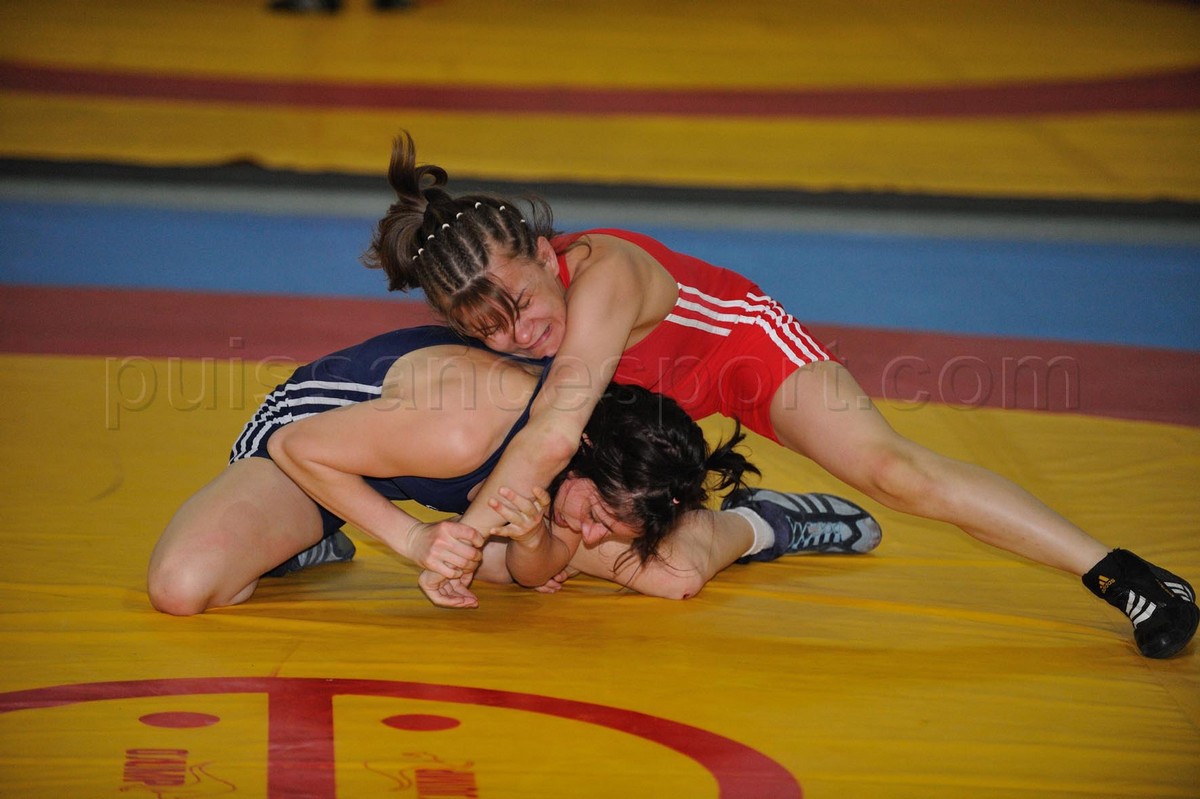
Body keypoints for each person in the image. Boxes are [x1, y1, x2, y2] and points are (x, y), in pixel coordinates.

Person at [364, 132, 1198, 658]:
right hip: (636, 407)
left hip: (736, 353)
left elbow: (551, 431)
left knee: (893, 471)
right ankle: (767, 522)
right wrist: (473, 535)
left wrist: (460, 538)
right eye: (489, 329)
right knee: (641, 570)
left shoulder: (605, 275)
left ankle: (1120, 573)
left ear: (550, 256)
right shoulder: (532, 328)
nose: (520, 335)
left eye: (521, 305)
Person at [147, 325, 878, 615]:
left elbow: (538, 566)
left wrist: (535, 540)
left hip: (432, 479)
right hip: (313, 450)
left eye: (606, 527)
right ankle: (302, 541)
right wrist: (411, 540)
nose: (592, 532)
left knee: (675, 575)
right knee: (184, 587)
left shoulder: (579, 470)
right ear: (578, 451)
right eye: (597, 514)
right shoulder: (467, 421)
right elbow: (297, 447)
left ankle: (760, 522)